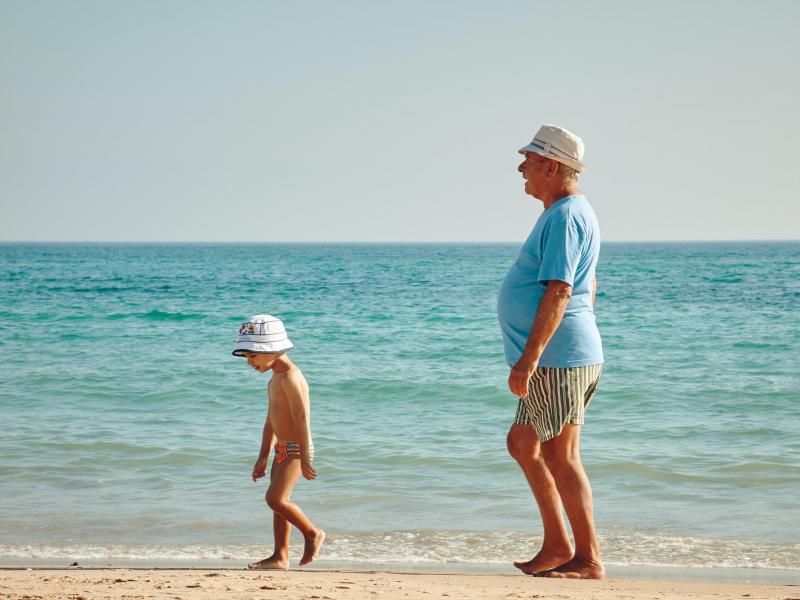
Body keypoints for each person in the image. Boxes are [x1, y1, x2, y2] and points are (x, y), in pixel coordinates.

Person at [497, 124, 605, 579]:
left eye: (529, 158)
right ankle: (559, 546)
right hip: (561, 354)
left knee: (559, 455)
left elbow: (561, 290)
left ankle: (587, 558)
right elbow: (589, 284)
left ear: (551, 165)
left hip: (558, 359)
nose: (521, 166)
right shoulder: (563, 212)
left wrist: (530, 357)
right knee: (524, 443)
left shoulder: (565, 215)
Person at [232, 314, 325, 570]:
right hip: (281, 449)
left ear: (270, 350)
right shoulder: (275, 378)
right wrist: (263, 456)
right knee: (278, 507)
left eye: (252, 356)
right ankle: (280, 557)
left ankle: (312, 533)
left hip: (296, 449)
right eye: (246, 357)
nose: (249, 362)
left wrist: (306, 456)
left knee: (275, 499)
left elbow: (301, 418)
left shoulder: (291, 378)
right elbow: (271, 421)